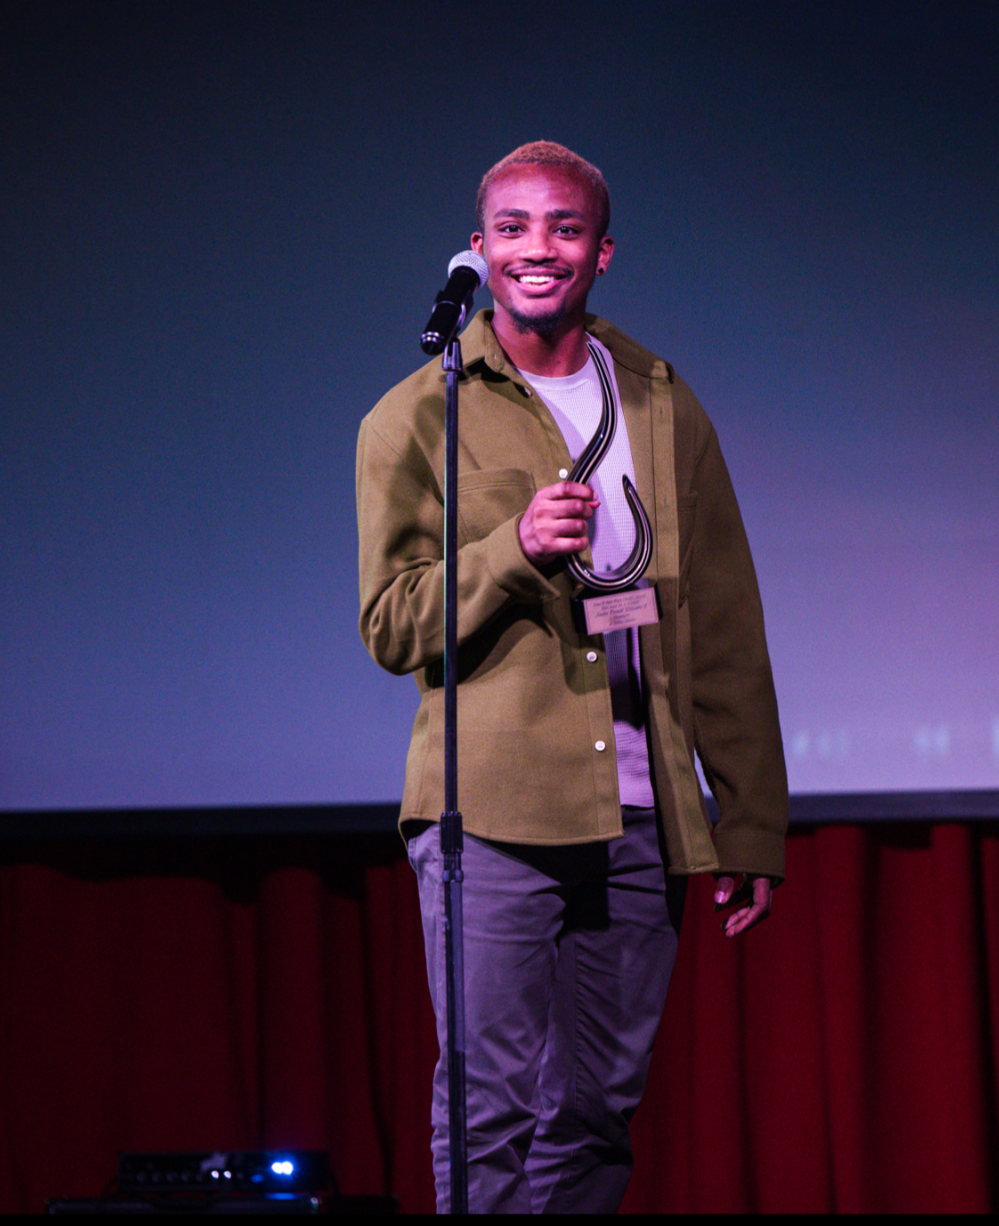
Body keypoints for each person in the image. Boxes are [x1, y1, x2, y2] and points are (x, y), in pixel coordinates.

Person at [356, 141, 787, 1213]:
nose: (537, 248)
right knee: (489, 1107)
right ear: (477, 248)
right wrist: (511, 549)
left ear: (603, 251)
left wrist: (749, 815)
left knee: (598, 1110)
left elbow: (721, 616)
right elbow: (391, 622)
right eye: (512, 228)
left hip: (639, 810)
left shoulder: (661, 401)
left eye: (564, 227)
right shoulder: (417, 414)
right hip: (494, 810)